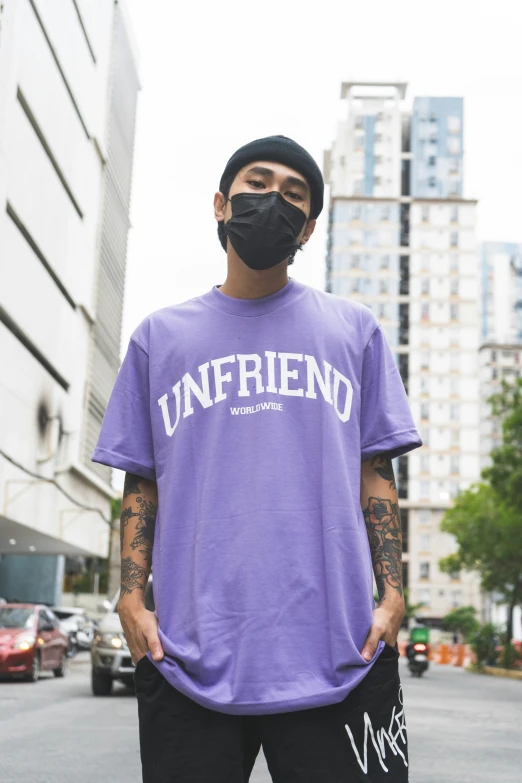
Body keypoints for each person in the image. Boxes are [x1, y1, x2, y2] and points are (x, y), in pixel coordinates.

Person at [92, 135, 422, 782]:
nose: (274, 200)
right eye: (257, 183)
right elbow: (141, 483)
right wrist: (130, 599)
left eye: (294, 194)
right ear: (221, 204)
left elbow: (376, 474)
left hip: (342, 651)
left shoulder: (353, 331)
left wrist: (392, 596)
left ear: (309, 226)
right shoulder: (161, 338)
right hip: (189, 656)